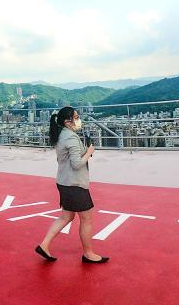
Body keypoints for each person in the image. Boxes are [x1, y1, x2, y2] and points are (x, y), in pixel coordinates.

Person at [35, 106, 109, 264]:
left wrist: (84, 151)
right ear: (67, 122)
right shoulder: (71, 137)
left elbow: (65, 158)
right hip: (75, 184)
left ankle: (44, 245)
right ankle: (88, 254)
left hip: (64, 182)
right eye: (76, 117)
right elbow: (76, 164)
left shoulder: (62, 134)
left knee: (66, 216)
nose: (78, 120)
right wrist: (88, 152)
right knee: (87, 219)